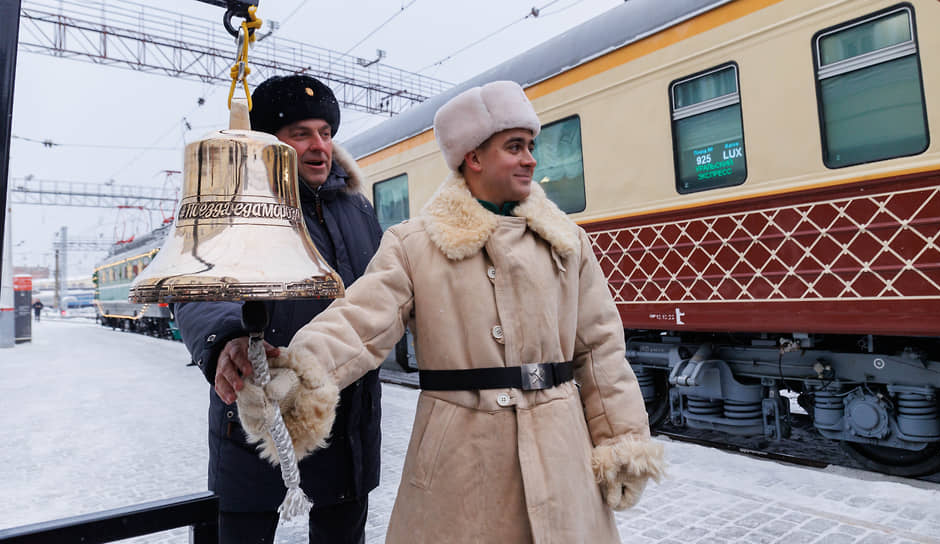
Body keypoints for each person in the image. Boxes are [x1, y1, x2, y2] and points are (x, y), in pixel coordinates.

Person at [237, 80, 664, 543]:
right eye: (515, 147)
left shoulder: (567, 242)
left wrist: (622, 438)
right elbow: (359, 322)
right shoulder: (415, 245)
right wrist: (297, 376)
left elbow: (601, 351)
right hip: (461, 459)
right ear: (473, 158)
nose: (531, 159)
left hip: (562, 454)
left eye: (531, 146)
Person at [174, 74, 384, 544]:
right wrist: (227, 337)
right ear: (271, 143)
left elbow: (385, 289)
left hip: (345, 421)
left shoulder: (358, 208)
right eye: (301, 134)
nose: (319, 146)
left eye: (326, 133)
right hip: (259, 414)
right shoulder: (234, 202)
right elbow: (198, 288)